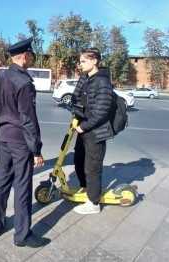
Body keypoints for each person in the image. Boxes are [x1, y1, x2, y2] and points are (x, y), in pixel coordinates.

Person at [0, 38, 50, 248]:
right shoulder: (24, 83)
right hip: (20, 141)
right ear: (24, 56)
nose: (32, 58)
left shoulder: (0, 78)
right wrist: (36, 150)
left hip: (3, 136)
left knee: (1, 181)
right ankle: (22, 235)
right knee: (23, 186)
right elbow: (28, 119)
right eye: (31, 55)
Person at [71, 48, 114, 215]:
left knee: (92, 167)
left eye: (83, 61)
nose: (80, 64)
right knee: (79, 161)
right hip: (83, 129)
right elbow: (75, 98)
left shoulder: (102, 82)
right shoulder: (86, 78)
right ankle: (86, 189)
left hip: (95, 132)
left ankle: (93, 203)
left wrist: (83, 126)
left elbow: (101, 113)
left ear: (94, 61)